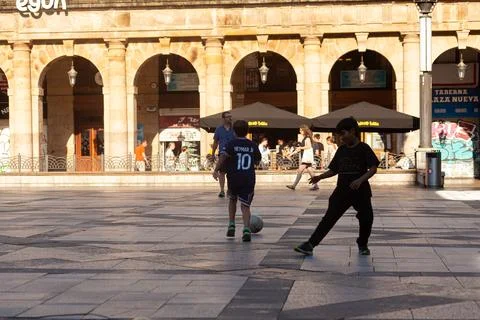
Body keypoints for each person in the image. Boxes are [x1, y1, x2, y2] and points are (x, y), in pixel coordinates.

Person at [294, 117, 380, 256]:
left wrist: (360, 180)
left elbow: (373, 168)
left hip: (361, 191)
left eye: (343, 134)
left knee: (367, 218)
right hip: (342, 191)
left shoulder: (363, 148)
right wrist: (319, 177)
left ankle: (362, 244)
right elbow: (334, 170)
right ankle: (310, 244)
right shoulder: (341, 150)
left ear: (353, 131)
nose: (341, 138)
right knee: (329, 218)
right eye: (339, 135)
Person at [213, 120, 261, 242]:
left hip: (234, 177)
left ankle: (232, 224)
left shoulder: (231, 144)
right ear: (247, 131)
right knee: (245, 205)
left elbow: (223, 157)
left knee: (232, 200)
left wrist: (216, 170)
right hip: (248, 178)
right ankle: (246, 229)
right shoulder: (252, 145)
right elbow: (257, 160)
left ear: (234, 131)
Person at [286, 125, 319, 191]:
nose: (300, 131)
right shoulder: (304, 139)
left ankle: (294, 185)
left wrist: (300, 147)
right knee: (311, 172)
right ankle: (316, 185)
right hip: (307, 158)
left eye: (301, 130)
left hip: (306, 158)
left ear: (304, 131)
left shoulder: (307, 138)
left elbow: (309, 146)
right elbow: (299, 149)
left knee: (300, 170)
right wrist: (291, 154)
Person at [211, 111, 236, 198]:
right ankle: (222, 190)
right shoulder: (219, 129)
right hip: (222, 154)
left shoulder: (234, 129)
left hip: (233, 154)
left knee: (232, 173)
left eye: (230, 116)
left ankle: (230, 190)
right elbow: (215, 142)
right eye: (228, 117)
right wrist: (212, 154)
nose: (230, 118)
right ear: (223, 119)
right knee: (222, 172)